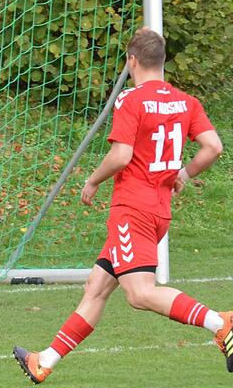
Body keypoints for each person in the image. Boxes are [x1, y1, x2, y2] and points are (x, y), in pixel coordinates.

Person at [13, 27, 228, 384]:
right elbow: (214, 146)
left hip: (132, 209)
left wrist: (93, 179)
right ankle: (44, 361)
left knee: (140, 294)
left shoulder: (131, 99)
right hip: (158, 211)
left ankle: (221, 323)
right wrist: (184, 175)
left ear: (132, 60)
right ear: (162, 61)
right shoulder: (185, 101)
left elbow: (121, 154)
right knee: (97, 287)